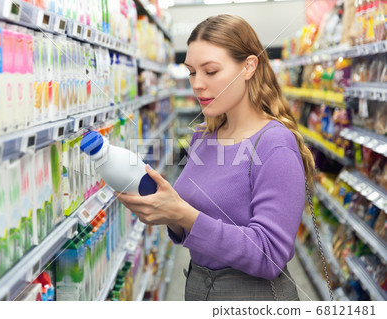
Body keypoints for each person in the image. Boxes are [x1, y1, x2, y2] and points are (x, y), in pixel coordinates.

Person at [116, 14, 315, 301]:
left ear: (248, 66)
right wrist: (166, 212)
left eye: (210, 72)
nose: (197, 84)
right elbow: (199, 221)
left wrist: (183, 214)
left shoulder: (274, 143)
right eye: (191, 72)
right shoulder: (204, 136)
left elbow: (271, 255)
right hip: (199, 289)